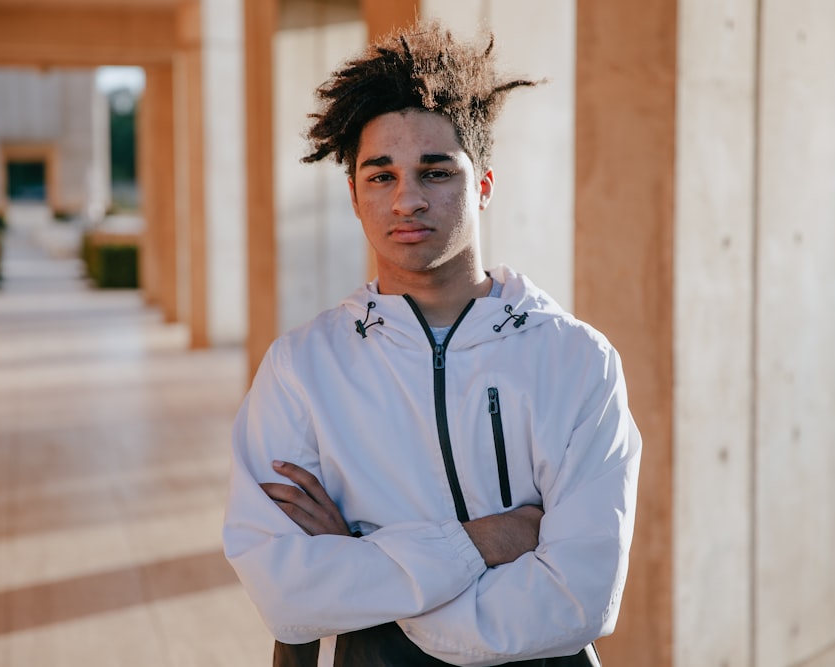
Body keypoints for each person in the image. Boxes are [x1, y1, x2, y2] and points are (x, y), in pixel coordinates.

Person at [223, 20, 641, 667]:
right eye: (380, 176)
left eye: (435, 172)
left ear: (484, 186)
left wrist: (363, 565)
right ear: (355, 196)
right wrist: (482, 542)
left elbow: (579, 596)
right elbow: (285, 592)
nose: (407, 200)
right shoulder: (301, 369)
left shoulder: (576, 360)